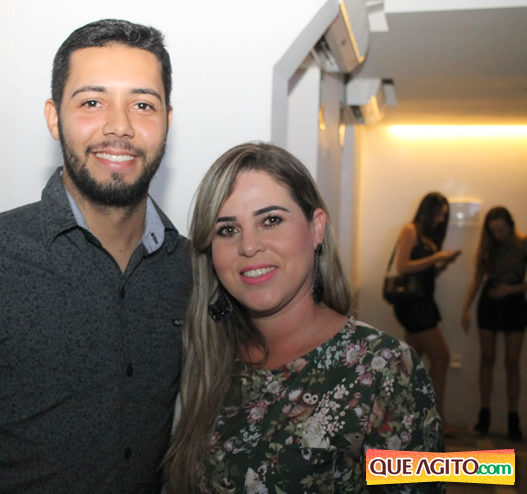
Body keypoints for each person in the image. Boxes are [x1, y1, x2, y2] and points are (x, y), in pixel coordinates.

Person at [0, 19, 191, 493]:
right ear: (54, 117)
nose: (119, 126)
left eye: (142, 104)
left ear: (167, 118)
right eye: (92, 102)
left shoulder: (190, 270)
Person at [163, 142, 443, 493]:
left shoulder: (385, 368)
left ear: (316, 228)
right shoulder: (205, 358)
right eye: (228, 230)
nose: (248, 246)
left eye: (271, 220)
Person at [391, 192, 460, 434]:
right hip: (414, 306)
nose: (441, 219)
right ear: (427, 211)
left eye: (444, 215)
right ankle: (435, 419)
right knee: (441, 357)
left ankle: (405, 419)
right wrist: (436, 257)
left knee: (409, 366)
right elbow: (402, 266)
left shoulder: (425, 235)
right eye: (439, 214)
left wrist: (440, 264)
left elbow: (422, 272)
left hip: (423, 303)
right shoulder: (411, 230)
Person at [461, 206, 526, 442]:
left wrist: (511, 289)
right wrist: (466, 308)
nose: (498, 235)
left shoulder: (523, 243)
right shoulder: (488, 247)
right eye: (494, 231)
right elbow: (477, 279)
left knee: (512, 362)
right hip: (489, 302)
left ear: (510, 225)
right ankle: (484, 416)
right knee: (487, 359)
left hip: (515, 302)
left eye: (502, 230)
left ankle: (513, 419)